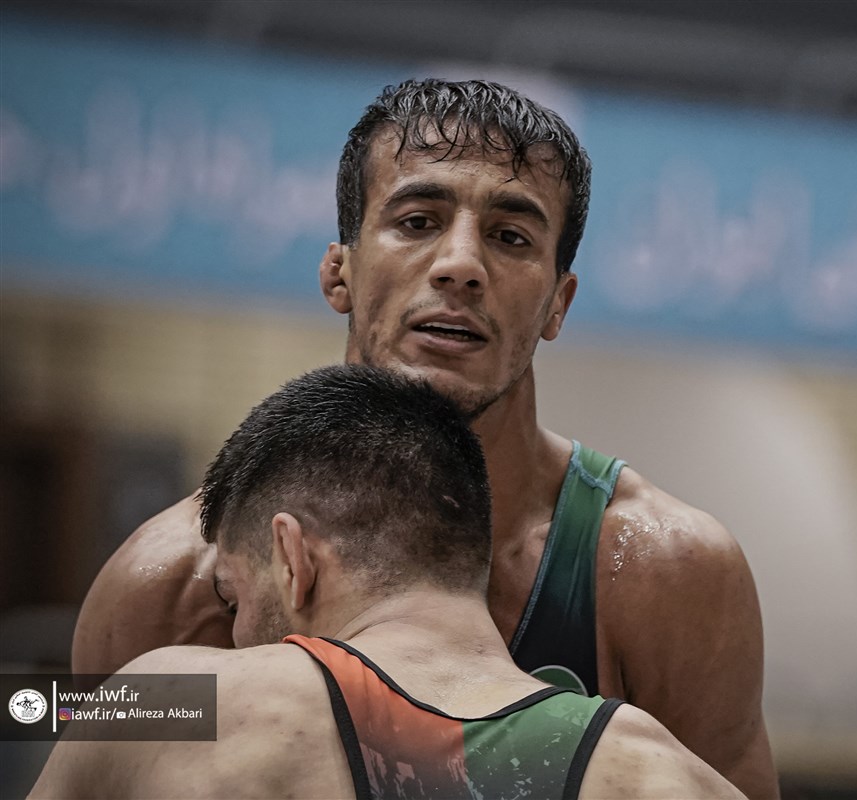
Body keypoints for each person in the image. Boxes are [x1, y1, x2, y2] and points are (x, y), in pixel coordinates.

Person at [72, 79, 778, 798]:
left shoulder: (667, 576)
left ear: (557, 304)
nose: (461, 266)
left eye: (510, 237)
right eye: (416, 222)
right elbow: (68, 746)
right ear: (339, 271)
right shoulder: (166, 585)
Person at [33, 365, 744, 800]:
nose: (235, 630)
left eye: (231, 596)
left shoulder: (172, 699)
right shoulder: (659, 771)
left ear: (292, 558)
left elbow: (31, 707)